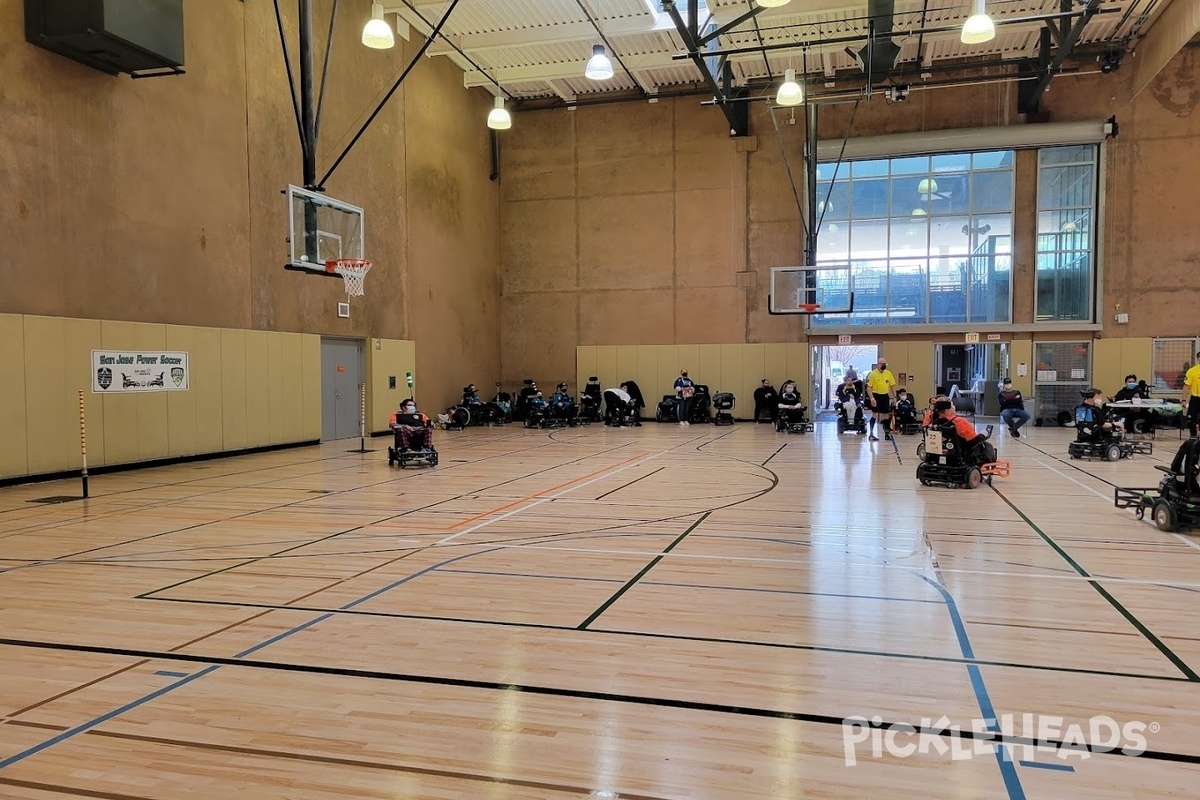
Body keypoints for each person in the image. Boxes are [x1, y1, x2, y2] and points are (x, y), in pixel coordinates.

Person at [865, 357, 897, 441]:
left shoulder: (888, 373)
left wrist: (894, 397)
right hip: (876, 395)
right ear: (878, 364)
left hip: (884, 395)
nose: (883, 365)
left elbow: (892, 385)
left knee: (886, 415)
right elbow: (868, 388)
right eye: (882, 364)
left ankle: (887, 434)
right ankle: (871, 434)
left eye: (885, 364)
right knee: (875, 414)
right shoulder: (872, 374)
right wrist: (872, 398)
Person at [1182, 352, 1200, 437]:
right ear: (1198, 358)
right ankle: (1193, 437)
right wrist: (1184, 400)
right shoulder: (1192, 371)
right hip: (1195, 399)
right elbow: (1186, 386)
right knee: (1192, 419)